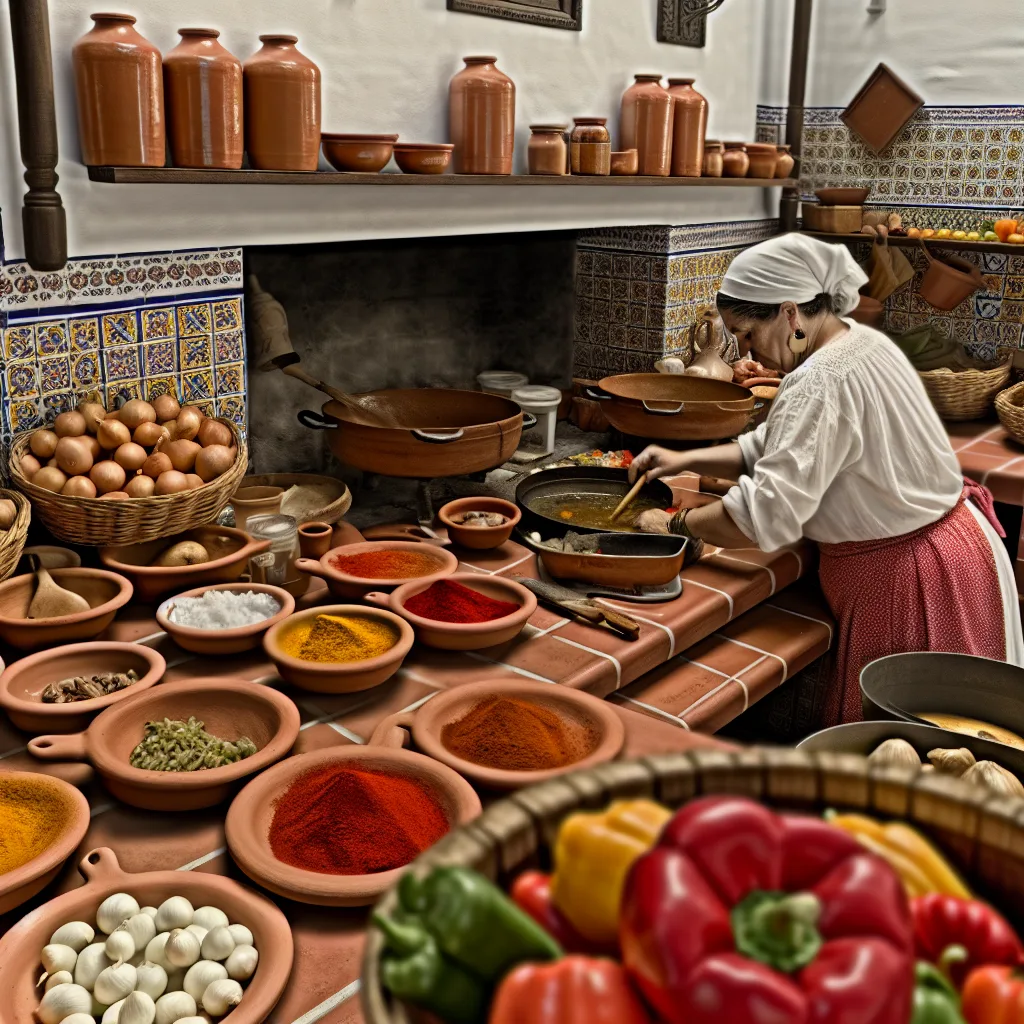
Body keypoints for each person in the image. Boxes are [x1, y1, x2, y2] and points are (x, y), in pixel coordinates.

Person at [629, 233, 1024, 726]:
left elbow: (765, 512)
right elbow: (776, 444)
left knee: (914, 756)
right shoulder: (858, 343)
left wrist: (678, 526)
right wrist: (683, 461)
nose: (747, 351)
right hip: (951, 555)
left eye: (748, 334)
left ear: (790, 313)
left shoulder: (819, 380)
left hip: (913, 582)